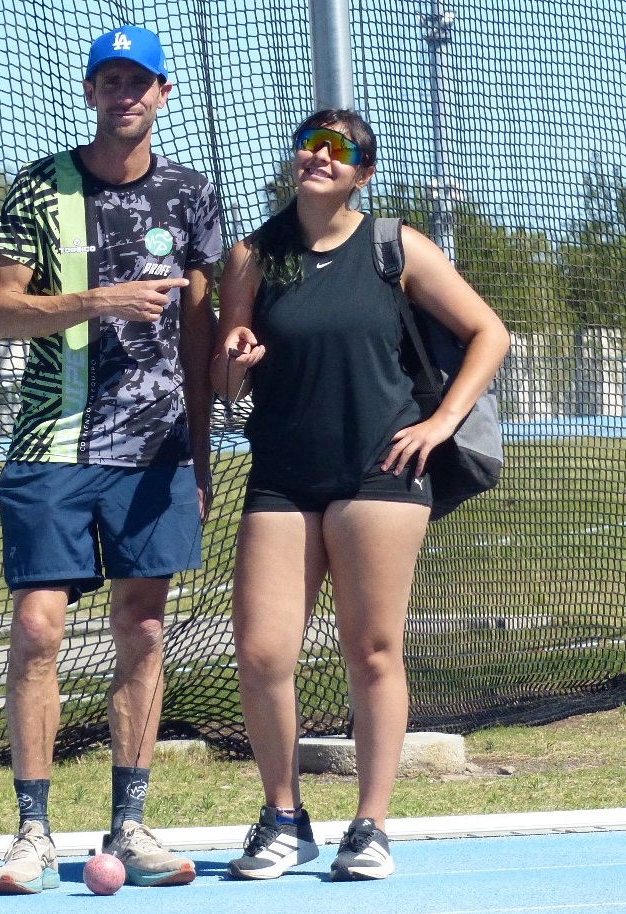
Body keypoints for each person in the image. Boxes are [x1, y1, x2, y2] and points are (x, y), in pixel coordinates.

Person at [211, 109, 510, 882]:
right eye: (309, 144)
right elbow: (226, 382)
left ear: (362, 173)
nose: (319, 156)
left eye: (337, 149)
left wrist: (441, 423)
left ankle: (370, 824)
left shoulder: (395, 247)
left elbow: (490, 333)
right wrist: (235, 361)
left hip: (381, 474)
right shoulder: (252, 256)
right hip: (282, 474)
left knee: (372, 651)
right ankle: (284, 819)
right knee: (262, 653)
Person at [0, 24, 221, 896]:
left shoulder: (191, 194)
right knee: (37, 628)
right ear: (90, 92)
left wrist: (200, 451)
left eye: (139, 81)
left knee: (145, 628)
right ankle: (32, 834)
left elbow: (198, 333)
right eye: (109, 80)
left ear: (162, 94)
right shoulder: (41, 186)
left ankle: (132, 823)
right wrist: (96, 300)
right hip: (52, 444)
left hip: (156, 452)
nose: (125, 94)